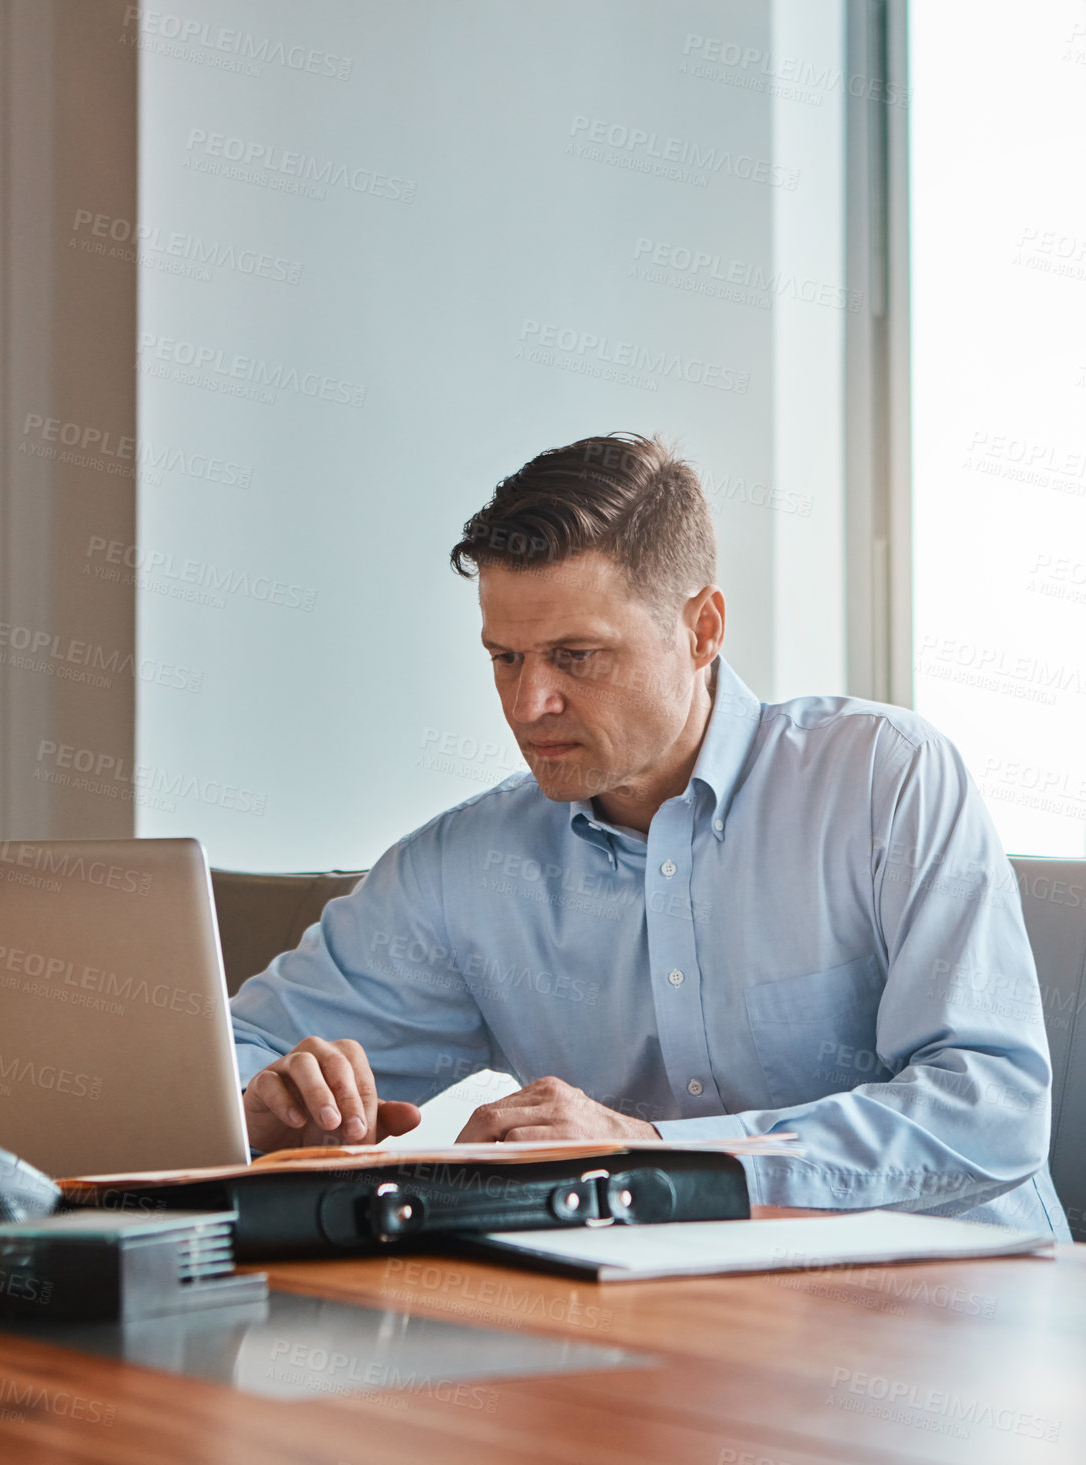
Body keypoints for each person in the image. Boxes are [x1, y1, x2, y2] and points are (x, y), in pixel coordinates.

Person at [229, 431, 1069, 1236]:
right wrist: (262, 1108)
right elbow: (231, 1054)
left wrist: (651, 1158)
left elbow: (987, 1110)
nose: (528, 705)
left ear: (701, 629)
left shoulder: (887, 780)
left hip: (959, 1318)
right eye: (504, 657)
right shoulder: (465, 868)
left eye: (576, 655)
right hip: (664, 1328)